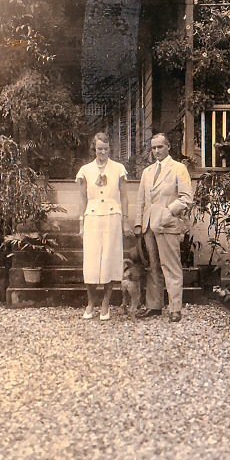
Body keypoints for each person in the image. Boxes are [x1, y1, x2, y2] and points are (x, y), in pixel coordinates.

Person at [134, 133, 193, 322]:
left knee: (171, 266)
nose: (156, 151)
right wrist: (138, 223)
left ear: (168, 147)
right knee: (152, 267)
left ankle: (175, 308)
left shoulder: (178, 169)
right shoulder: (148, 172)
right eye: (153, 148)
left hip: (167, 224)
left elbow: (186, 198)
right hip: (149, 226)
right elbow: (141, 201)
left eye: (160, 147)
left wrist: (168, 212)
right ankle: (154, 305)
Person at [76, 132, 131, 320]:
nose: (103, 152)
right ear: (94, 148)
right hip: (92, 217)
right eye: (99, 148)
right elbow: (82, 199)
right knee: (91, 261)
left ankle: (105, 304)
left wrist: (125, 220)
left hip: (112, 218)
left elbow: (124, 197)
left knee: (109, 259)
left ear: (110, 149)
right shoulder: (85, 170)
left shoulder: (118, 169)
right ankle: (91, 303)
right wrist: (81, 223)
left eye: (106, 149)